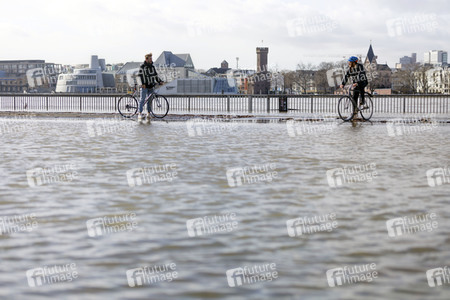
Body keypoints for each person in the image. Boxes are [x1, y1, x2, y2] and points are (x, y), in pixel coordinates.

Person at [138, 53, 163, 119]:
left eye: (151, 58)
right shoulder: (142, 66)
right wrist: (143, 84)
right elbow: (140, 75)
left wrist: (159, 81)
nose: (151, 59)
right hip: (144, 86)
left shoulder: (152, 67)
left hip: (151, 86)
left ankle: (148, 113)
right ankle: (139, 114)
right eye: (150, 58)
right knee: (142, 100)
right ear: (146, 59)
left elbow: (155, 75)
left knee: (149, 101)